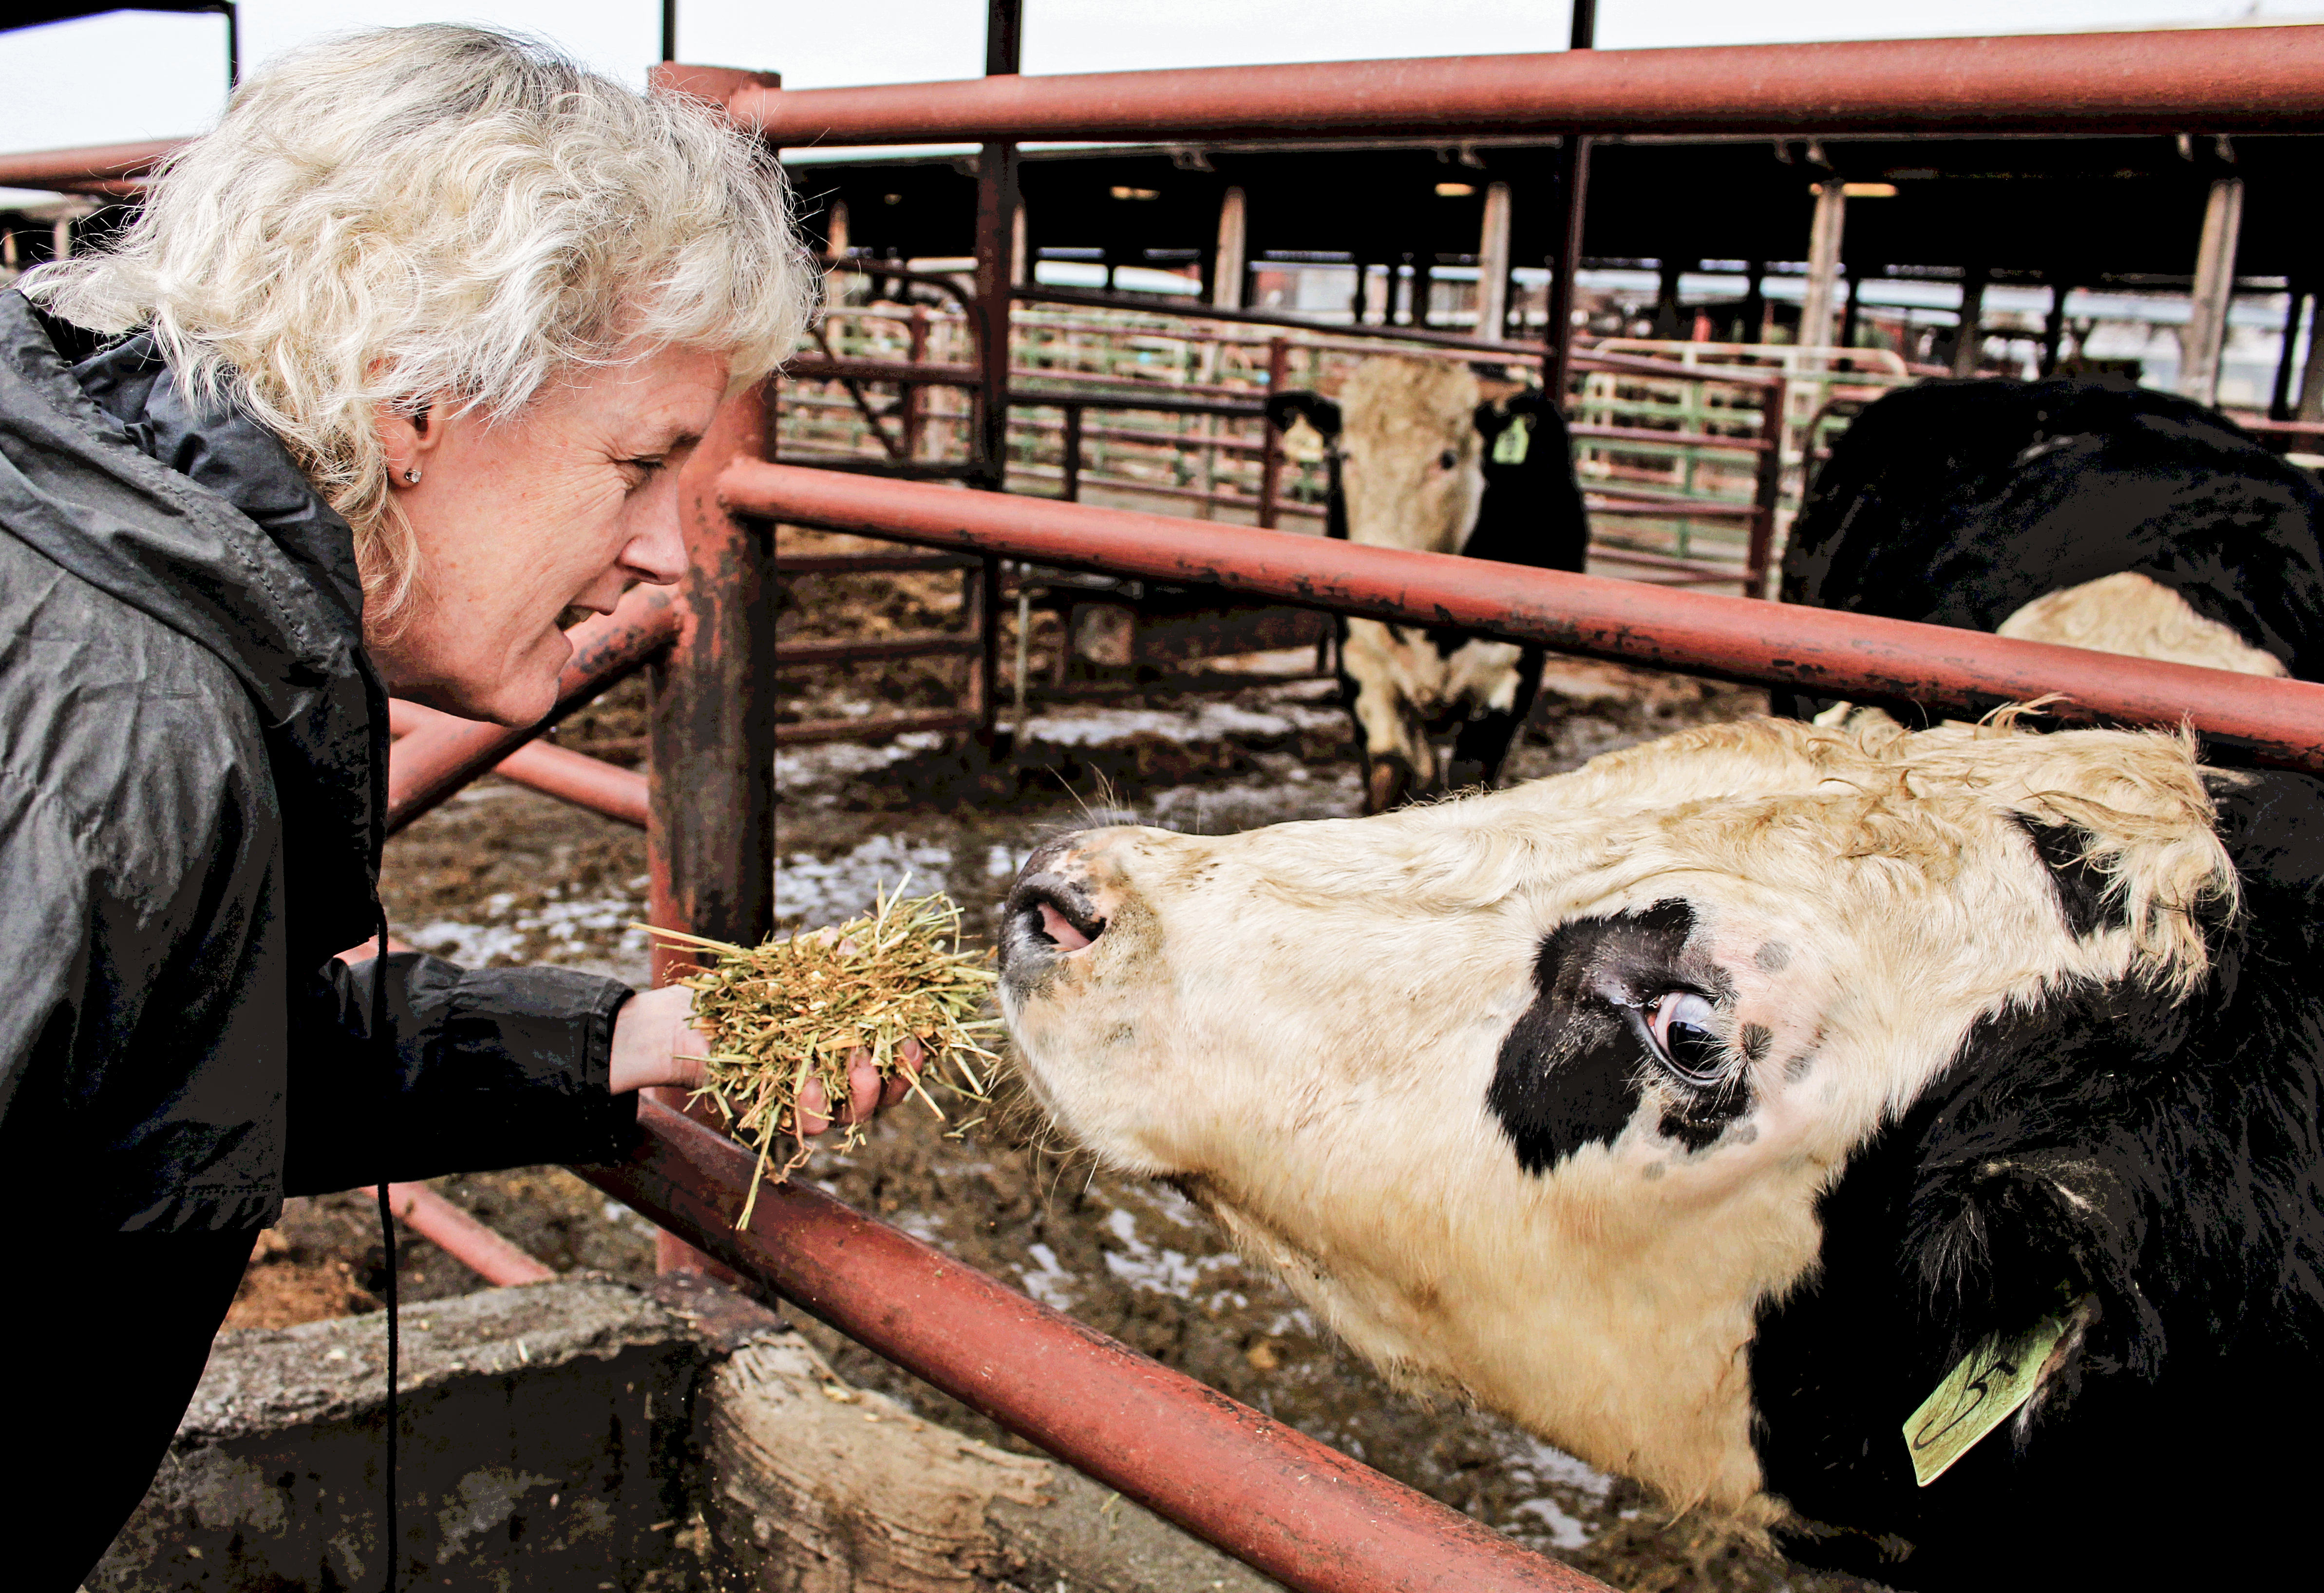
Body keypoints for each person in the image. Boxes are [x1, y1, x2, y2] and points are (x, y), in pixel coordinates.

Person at [0, 25, 878, 1586]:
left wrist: (607, 1040)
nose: (668, 556)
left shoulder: (123, 590)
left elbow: (145, 1078)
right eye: (639, 461)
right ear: (413, 399)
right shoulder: (119, 737)